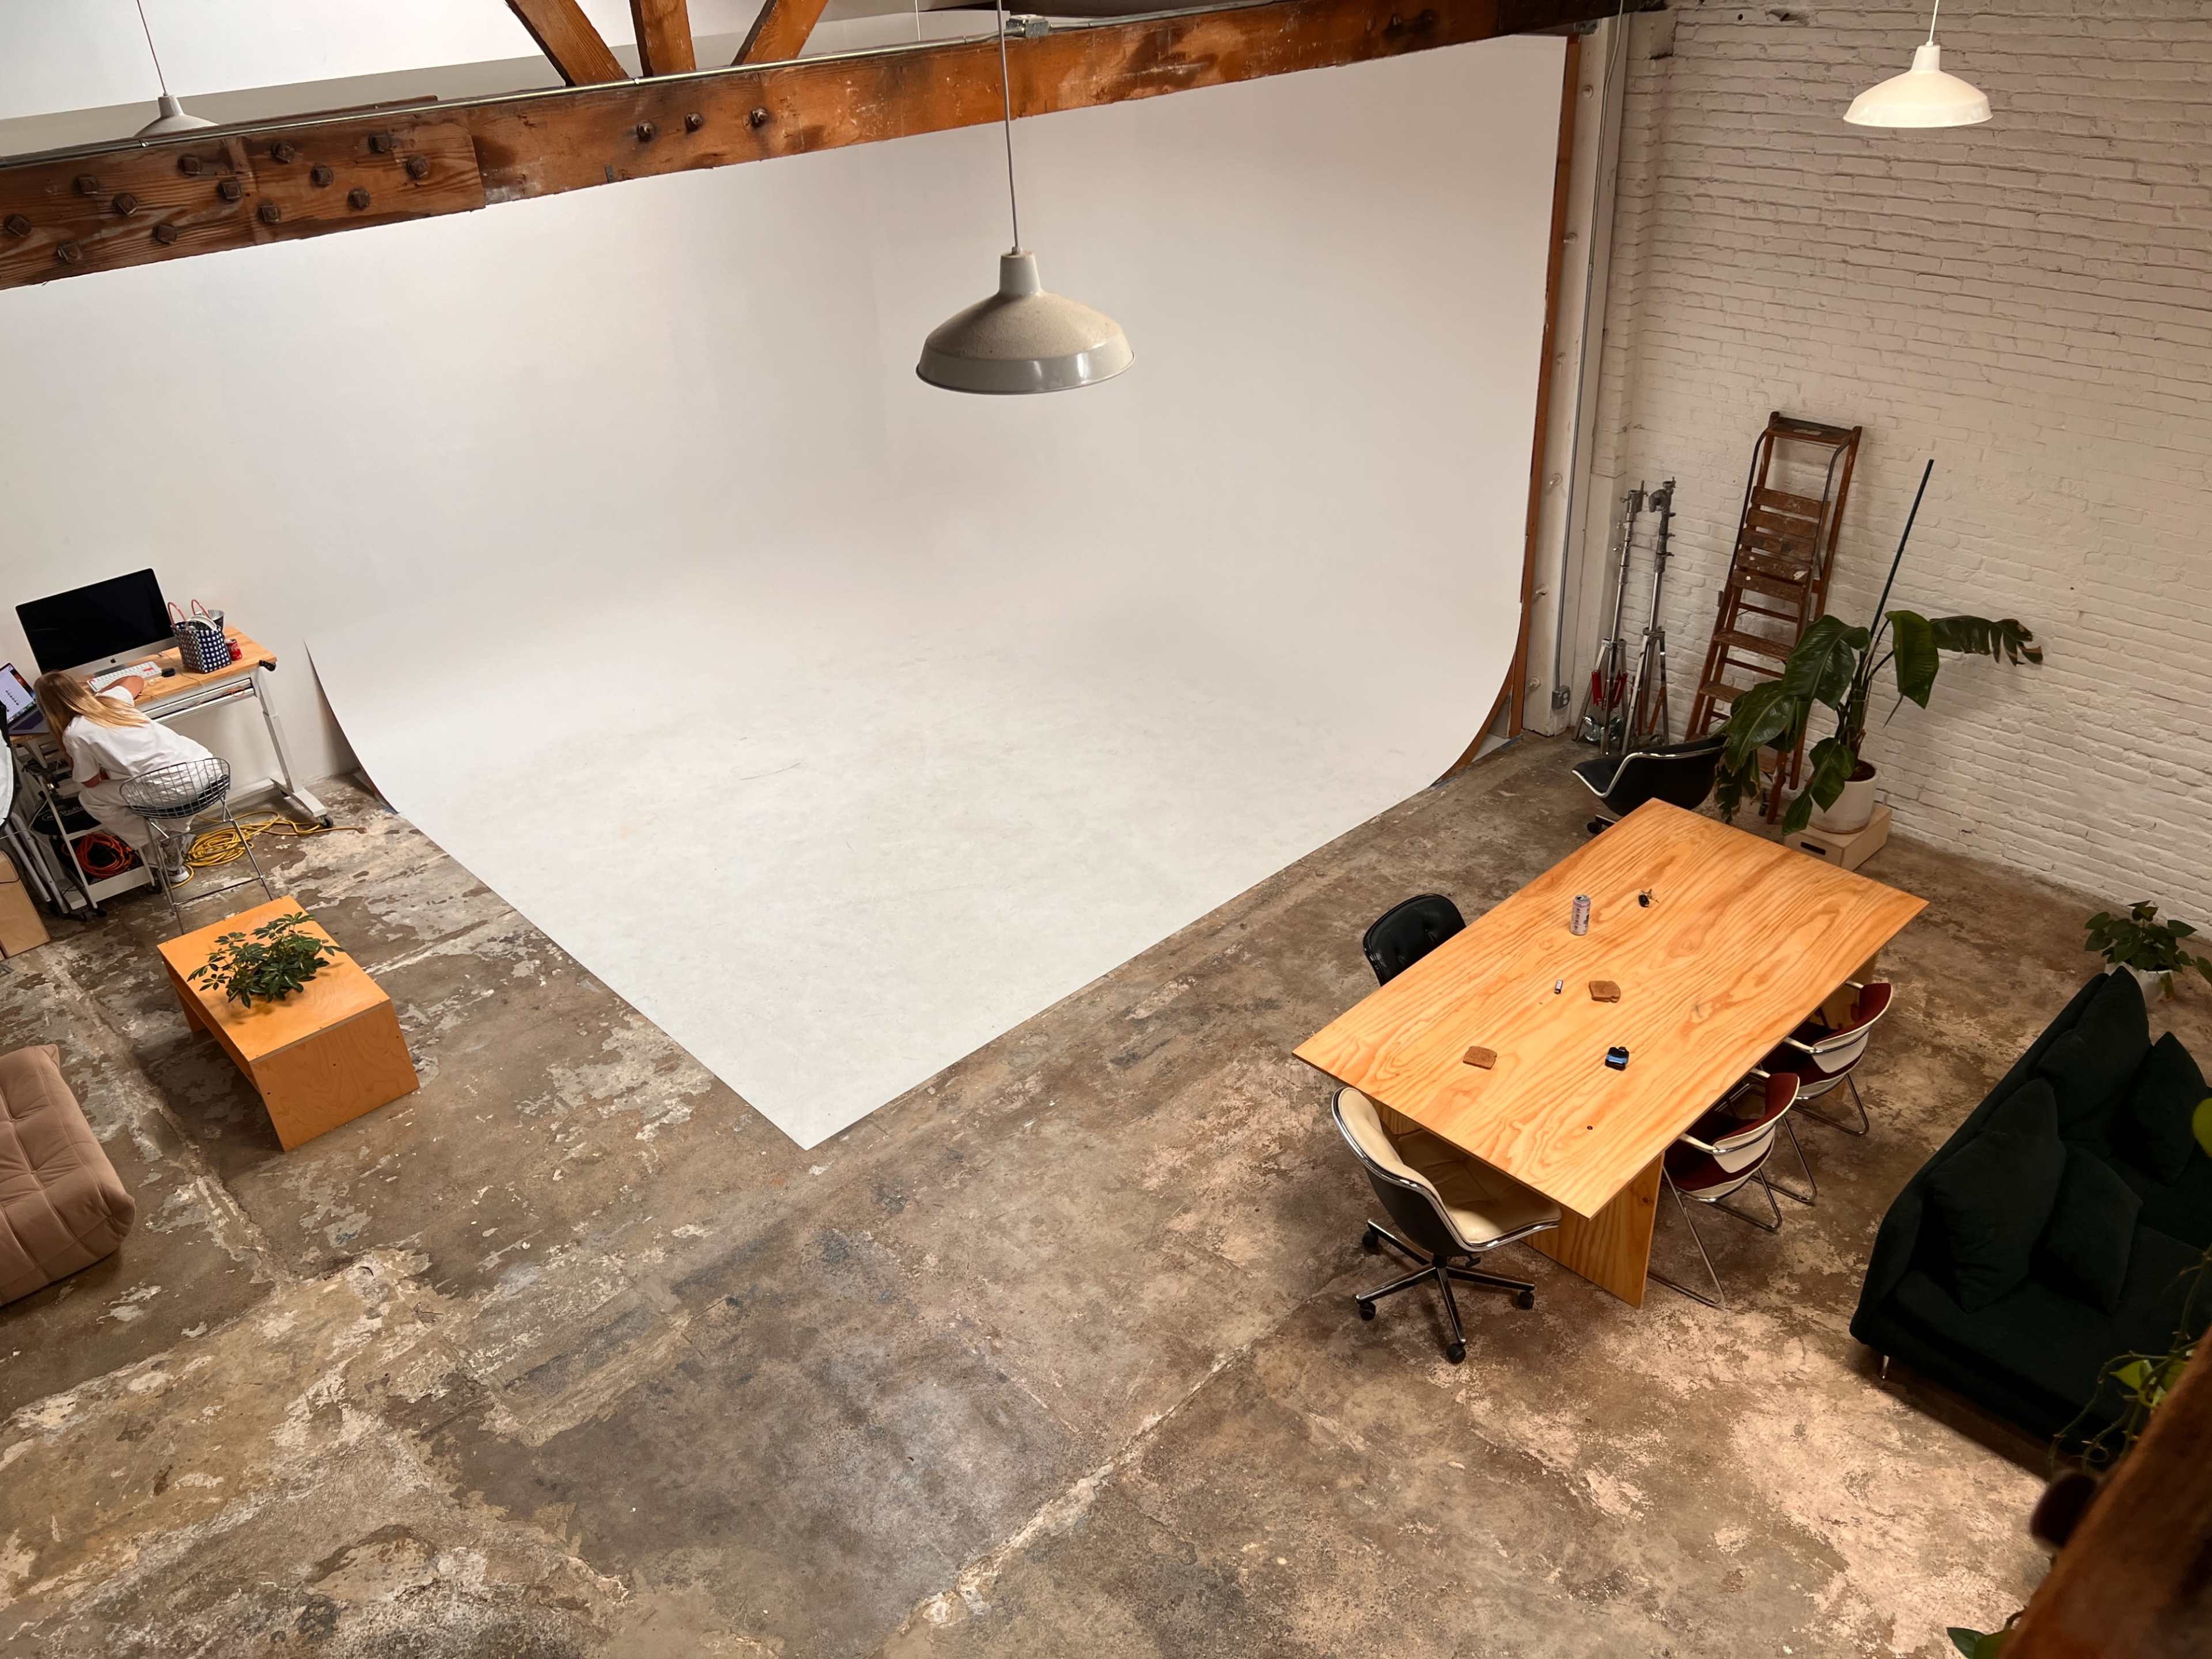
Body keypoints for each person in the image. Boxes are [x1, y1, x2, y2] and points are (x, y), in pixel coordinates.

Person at [32, 669, 214, 884]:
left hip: (175, 788)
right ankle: (174, 838)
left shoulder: (74, 734)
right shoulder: (111, 701)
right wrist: (99, 693)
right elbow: (135, 680)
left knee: (91, 798)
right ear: (76, 689)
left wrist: (76, 756)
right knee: (151, 788)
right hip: (210, 770)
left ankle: (160, 842)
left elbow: (91, 782)